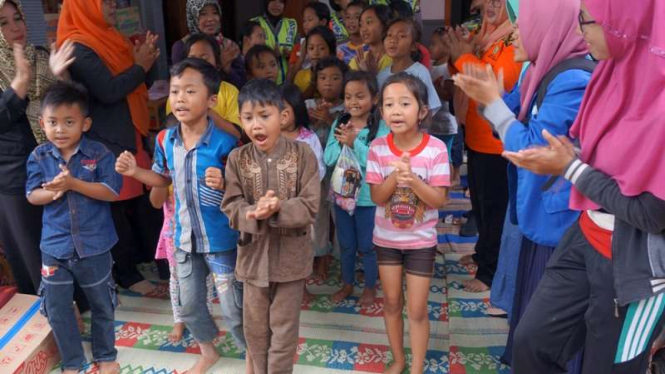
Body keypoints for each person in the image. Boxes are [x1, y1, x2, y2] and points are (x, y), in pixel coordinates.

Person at [503, 1, 665, 373]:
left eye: (587, 22)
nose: (580, 32)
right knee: (531, 344)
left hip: (636, 265)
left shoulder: (658, 97)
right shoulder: (611, 75)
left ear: (624, 24)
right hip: (587, 235)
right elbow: (599, 155)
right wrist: (561, 157)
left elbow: (651, 214)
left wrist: (570, 167)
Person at [453, 0, 592, 370]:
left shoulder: (572, 80)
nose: (514, 32)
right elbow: (509, 108)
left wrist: (493, 104)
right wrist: (491, 99)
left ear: (547, 27)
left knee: (550, 325)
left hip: (557, 223)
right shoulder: (539, 72)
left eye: (522, 23)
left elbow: (531, 147)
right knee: (528, 307)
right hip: (537, 213)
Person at [115, 59, 245, 374]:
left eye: (190, 90)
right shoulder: (165, 139)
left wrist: (226, 182)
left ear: (212, 100)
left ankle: (253, 354)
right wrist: (137, 172)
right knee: (188, 305)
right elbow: (164, 179)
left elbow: (243, 191)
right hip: (184, 239)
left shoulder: (227, 144)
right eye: (175, 91)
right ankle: (208, 351)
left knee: (233, 308)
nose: (181, 98)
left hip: (221, 240)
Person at [58, 0, 162, 295]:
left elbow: (140, 81)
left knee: (142, 200)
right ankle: (126, 273)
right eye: (105, 1)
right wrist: (140, 65)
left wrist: (147, 59)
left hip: (131, 132)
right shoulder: (78, 47)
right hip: (105, 140)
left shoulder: (113, 37)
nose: (113, 4)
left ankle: (148, 260)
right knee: (116, 207)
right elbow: (109, 90)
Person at [222, 78, 320, 374]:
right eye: (249, 118)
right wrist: (253, 212)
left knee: (283, 331)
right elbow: (231, 205)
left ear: (283, 116)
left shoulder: (303, 154)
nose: (257, 125)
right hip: (252, 261)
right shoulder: (237, 159)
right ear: (240, 120)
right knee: (255, 331)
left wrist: (278, 209)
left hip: (291, 261)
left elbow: (310, 205)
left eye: (265, 116)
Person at [26, 81, 121, 374]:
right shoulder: (39, 156)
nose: (60, 129)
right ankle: (72, 361)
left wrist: (72, 184)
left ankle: (106, 355)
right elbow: (32, 195)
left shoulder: (100, 153)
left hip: (95, 245)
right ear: (42, 123)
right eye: (53, 122)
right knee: (57, 309)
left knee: (102, 304)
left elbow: (111, 191)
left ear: (85, 123)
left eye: (69, 122)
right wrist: (54, 192)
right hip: (54, 248)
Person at [367, 72, 449, 374]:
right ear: (382, 111)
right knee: (390, 303)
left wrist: (412, 179)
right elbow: (377, 196)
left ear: (422, 111)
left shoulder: (436, 149)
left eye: (404, 103)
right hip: (386, 241)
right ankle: (399, 360)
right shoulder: (377, 147)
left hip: (420, 243)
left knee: (416, 309)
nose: (396, 111)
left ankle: (415, 367)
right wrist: (394, 176)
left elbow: (439, 200)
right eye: (389, 104)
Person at [443, 0, 522, 293]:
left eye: (498, 2)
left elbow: (496, 82)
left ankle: (490, 273)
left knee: (494, 211)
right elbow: (466, 76)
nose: (490, 6)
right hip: (477, 137)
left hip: (497, 142)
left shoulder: (516, 38)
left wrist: (464, 57)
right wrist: (458, 56)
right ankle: (482, 256)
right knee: (480, 205)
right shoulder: (488, 37)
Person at [0, 0, 74, 295]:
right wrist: (20, 83)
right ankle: (52, 310)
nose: (15, 27)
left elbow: (70, 106)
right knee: (33, 247)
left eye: (17, 18)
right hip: (14, 175)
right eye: (3, 22)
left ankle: (76, 302)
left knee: (64, 238)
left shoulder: (40, 55)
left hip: (53, 163)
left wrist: (60, 76)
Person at [324, 70, 389, 306]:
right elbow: (328, 158)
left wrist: (354, 144)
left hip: (367, 199)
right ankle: (348, 284)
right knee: (347, 245)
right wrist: (343, 146)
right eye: (348, 96)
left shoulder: (381, 127)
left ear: (375, 99)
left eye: (360, 96)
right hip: (342, 197)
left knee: (368, 246)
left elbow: (377, 162)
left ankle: (370, 287)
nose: (353, 102)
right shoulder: (340, 123)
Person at [279, 83, 326, 302]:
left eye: (284, 109)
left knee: (302, 249)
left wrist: (303, 190)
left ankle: (302, 287)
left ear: (296, 109)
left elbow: (319, 168)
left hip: (301, 205)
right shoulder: (269, 139)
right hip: (276, 205)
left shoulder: (308, 138)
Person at [166, 33, 241, 139]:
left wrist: (204, 110)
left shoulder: (229, 91)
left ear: (217, 63)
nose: (197, 65)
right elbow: (172, 130)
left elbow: (236, 134)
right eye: (192, 59)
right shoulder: (177, 93)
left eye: (204, 59)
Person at [172, 0, 245, 89]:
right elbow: (182, 84)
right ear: (193, 16)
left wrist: (227, 69)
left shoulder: (228, 46)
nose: (211, 19)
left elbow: (242, 85)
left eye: (215, 13)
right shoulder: (181, 47)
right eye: (203, 14)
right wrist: (219, 65)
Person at [377, 18, 441, 116]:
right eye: (389, 35)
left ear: (414, 46)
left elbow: (430, 108)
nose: (393, 40)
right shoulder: (382, 75)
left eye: (402, 36)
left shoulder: (420, 72)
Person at [428, 26, 458, 160]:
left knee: (445, 155)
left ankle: (448, 179)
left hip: (446, 123)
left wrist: (434, 87)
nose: (430, 47)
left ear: (446, 46)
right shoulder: (429, 65)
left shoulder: (448, 69)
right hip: (432, 121)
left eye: (434, 44)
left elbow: (449, 95)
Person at [251, 0, 298, 84]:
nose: (277, 5)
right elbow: (249, 55)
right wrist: (271, 54)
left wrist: (290, 55)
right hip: (263, 83)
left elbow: (299, 54)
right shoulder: (255, 23)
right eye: (273, 0)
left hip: (289, 82)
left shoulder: (292, 24)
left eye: (280, 1)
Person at [287, 2, 330, 82]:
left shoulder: (331, 43)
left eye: (310, 20)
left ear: (323, 22)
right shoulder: (298, 47)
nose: (305, 24)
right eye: (304, 20)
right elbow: (289, 80)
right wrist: (301, 57)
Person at [293, 26, 336, 98]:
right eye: (311, 48)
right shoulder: (301, 75)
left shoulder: (338, 74)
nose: (316, 53)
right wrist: (313, 83)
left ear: (331, 51)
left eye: (321, 48)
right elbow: (299, 102)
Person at [349, 5, 392, 74]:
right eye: (361, 25)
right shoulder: (357, 61)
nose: (363, 29)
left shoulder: (395, 59)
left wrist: (371, 74)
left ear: (385, 24)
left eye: (369, 22)